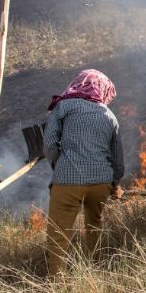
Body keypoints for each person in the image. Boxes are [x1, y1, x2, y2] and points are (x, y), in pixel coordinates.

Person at [42, 69, 124, 273]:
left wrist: (60, 164)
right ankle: (95, 270)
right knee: (95, 227)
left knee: (58, 234)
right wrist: (114, 182)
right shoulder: (109, 116)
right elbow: (118, 158)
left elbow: (50, 143)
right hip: (101, 183)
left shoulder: (63, 107)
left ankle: (56, 281)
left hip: (67, 181)